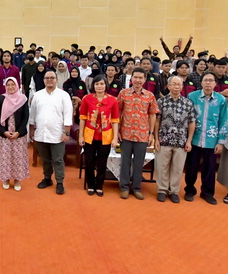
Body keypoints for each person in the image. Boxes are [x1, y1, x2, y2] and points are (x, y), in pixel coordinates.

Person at [184, 71, 228, 205]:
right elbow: (187, 118)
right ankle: (190, 190)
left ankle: (208, 193)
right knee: (191, 167)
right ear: (201, 82)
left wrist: (221, 142)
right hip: (194, 138)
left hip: (212, 139)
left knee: (209, 168)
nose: (208, 83)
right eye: (206, 80)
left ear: (215, 83)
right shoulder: (192, 96)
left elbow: (224, 121)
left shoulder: (221, 100)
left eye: (211, 80)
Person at [29, 68, 73, 195]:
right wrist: (32, 130)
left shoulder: (63, 95)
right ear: (43, 80)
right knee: (45, 159)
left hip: (58, 134)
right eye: (47, 78)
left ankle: (59, 182)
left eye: (52, 78)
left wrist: (67, 133)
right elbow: (32, 115)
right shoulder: (37, 95)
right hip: (41, 133)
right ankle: (47, 178)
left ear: (57, 80)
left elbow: (68, 115)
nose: (49, 80)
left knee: (58, 159)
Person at [117, 67, 159, 200]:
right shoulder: (123, 93)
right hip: (126, 133)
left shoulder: (150, 96)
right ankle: (124, 187)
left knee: (139, 162)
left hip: (142, 134)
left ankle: (136, 188)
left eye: (141, 78)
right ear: (131, 78)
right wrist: (117, 130)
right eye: (135, 77)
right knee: (125, 161)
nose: (138, 80)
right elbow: (117, 112)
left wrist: (151, 133)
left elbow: (152, 115)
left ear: (145, 79)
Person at [153, 75, 196, 203]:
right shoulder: (161, 102)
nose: (176, 87)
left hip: (181, 141)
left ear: (182, 87)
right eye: (174, 84)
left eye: (179, 84)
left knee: (177, 168)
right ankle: (162, 189)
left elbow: (192, 122)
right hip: (164, 139)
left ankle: (174, 191)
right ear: (168, 86)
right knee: (162, 166)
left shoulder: (188, 103)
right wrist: (156, 138)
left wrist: (189, 141)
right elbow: (157, 121)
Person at [78, 75, 120, 197]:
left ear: (106, 85)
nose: (99, 86)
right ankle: (90, 184)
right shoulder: (87, 99)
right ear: (93, 86)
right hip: (89, 135)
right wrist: (81, 136)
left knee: (102, 162)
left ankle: (99, 185)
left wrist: (115, 137)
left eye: (102, 84)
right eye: (97, 84)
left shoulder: (113, 100)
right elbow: (82, 118)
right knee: (89, 161)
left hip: (106, 135)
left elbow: (115, 120)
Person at [0, 76, 30, 191]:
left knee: (18, 157)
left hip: (18, 134)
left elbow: (26, 117)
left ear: (17, 85)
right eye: (8, 85)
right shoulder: (1, 98)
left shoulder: (23, 99)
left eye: (13, 84)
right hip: (5, 134)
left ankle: (17, 179)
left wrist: (18, 132)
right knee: (5, 157)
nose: (10, 87)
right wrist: (3, 131)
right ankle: (5, 179)